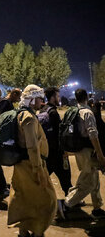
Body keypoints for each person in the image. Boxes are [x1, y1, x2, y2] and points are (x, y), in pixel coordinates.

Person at [7, 85, 57, 237]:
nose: (42, 101)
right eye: (39, 98)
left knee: (23, 198)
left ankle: (24, 232)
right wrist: (38, 169)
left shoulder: (22, 114)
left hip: (24, 164)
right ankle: (37, 231)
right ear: (32, 99)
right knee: (47, 200)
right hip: (30, 165)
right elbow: (32, 146)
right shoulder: (28, 118)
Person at [58, 89, 105, 220]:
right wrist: (100, 155)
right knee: (88, 183)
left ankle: (97, 208)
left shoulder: (73, 111)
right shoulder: (87, 113)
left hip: (78, 150)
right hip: (87, 151)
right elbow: (93, 135)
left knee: (93, 178)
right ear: (86, 98)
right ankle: (66, 204)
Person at [41, 87, 73, 196]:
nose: (59, 98)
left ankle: (34, 196)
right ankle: (71, 201)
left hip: (47, 150)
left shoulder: (43, 109)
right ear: (53, 97)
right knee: (66, 176)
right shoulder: (53, 112)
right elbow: (58, 134)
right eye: (57, 96)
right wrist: (64, 151)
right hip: (57, 151)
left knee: (44, 176)